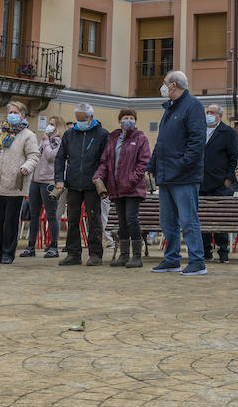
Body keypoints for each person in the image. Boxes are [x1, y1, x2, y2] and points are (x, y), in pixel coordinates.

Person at [148, 70, 207, 276]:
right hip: (166, 176)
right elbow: (161, 142)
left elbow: (197, 142)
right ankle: (172, 259)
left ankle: (197, 261)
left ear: (173, 85)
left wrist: (183, 165)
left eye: (165, 83)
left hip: (184, 177)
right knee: (167, 221)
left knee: (188, 220)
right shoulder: (170, 109)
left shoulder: (193, 106)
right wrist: (152, 165)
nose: (163, 87)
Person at [0, 102, 38, 264]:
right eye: (10, 112)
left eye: (15, 112)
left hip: (14, 184)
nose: (11, 114)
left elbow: (33, 156)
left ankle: (8, 253)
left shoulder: (28, 135)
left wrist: (26, 167)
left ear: (22, 115)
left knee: (11, 221)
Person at [94, 108, 151, 269]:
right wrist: (98, 175)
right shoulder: (113, 138)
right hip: (116, 188)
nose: (128, 120)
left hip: (133, 188)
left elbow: (144, 162)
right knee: (122, 221)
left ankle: (137, 256)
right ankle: (124, 255)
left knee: (131, 218)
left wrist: (131, 179)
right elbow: (105, 161)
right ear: (120, 120)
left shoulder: (140, 138)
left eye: (131, 117)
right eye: (125, 117)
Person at [54, 103, 109, 266]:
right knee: (72, 219)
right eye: (77, 120)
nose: (79, 123)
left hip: (93, 184)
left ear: (91, 117)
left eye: (82, 120)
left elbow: (106, 160)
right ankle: (73, 253)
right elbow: (60, 158)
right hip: (73, 183)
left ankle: (95, 254)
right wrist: (59, 178)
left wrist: (100, 177)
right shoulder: (69, 134)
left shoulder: (102, 134)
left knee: (94, 219)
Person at [200, 104, 238, 264]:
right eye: (207, 112)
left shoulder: (228, 132)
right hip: (201, 182)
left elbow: (234, 157)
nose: (209, 114)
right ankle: (205, 250)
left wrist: (229, 179)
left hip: (220, 183)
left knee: (219, 218)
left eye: (212, 112)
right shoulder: (199, 131)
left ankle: (223, 251)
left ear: (220, 116)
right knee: (202, 218)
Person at [22, 120, 62, 258]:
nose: (49, 126)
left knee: (51, 214)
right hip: (35, 181)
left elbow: (52, 157)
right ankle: (31, 246)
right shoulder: (44, 140)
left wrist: (45, 142)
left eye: (52, 123)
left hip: (49, 181)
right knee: (34, 215)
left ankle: (53, 246)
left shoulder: (57, 141)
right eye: (48, 123)